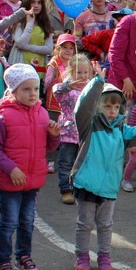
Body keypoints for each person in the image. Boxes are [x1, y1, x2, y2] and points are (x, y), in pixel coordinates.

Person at [69, 63, 136, 270]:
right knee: (85, 224)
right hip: (87, 183)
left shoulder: (121, 129)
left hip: (109, 187)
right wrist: (98, 83)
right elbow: (82, 108)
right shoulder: (89, 126)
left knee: (105, 224)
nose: (112, 111)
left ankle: (104, 257)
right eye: (107, 106)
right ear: (98, 106)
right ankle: (82, 256)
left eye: (116, 107)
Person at [0, 64, 62, 270]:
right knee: (8, 222)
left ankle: (23, 257)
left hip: (32, 180)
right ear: (13, 91)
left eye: (35, 89)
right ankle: (0, 264)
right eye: (26, 89)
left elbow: (48, 147)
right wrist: (12, 169)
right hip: (11, 181)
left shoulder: (42, 113)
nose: (32, 94)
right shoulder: (4, 116)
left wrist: (54, 136)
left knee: (27, 222)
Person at [52, 55, 93, 205]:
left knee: (82, 162)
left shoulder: (91, 87)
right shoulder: (67, 88)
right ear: (71, 72)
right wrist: (69, 86)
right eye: (79, 72)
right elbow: (56, 91)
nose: (82, 76)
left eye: (85, 72)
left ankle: (78, 188)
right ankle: (65, 190)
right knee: (66, 162)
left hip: (85, 132)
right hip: (69, 132)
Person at [8, 0, 54, 77]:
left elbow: (48, 49)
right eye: (33, 2)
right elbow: (20, 42)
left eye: (39, 2)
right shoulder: (19, 21)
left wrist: (26, 47)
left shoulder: (45, 23)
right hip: (21, 68)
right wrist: (29, 23)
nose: (36, 6)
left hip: (39, 69)